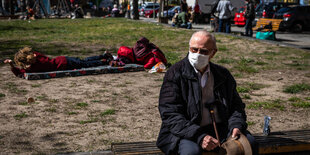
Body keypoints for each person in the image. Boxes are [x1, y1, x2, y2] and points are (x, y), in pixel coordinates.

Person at [156, 31, 258, 155]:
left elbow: (236, 106)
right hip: (186, 131)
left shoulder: (223, 75)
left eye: (203, 51)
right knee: (191, 152)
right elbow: (170, 113)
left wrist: (236, 125)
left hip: (220, 128)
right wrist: (200, 136)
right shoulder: (175, 73)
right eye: (194, 50)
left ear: (213, 53)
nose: (197, 54)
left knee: (249, 143)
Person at [3, 47, 120, 78]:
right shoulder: (34, 63)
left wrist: (12, 64)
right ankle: (105, 58)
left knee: (85, 62)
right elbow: (20, 72)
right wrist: (12, 64)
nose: (34, 54)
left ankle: (105, 58)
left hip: (65, 61)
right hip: (64, 62)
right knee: (85, 62)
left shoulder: (33, 65)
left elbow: (19, 72)